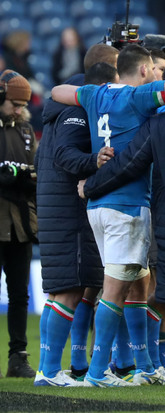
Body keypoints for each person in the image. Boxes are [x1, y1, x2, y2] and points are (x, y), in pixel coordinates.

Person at [51, 41, 165, 387]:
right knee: (114, 291)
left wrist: (91, 91)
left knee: (136, 285)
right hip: (126, 205)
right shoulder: (137, 97)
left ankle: (144, 365)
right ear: (144, 70)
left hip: (99, 207)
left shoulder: (96, 95)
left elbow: (56, 91)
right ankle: (99, 373)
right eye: (154, 70)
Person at [33, 62, 118, 387]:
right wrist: (94, 161)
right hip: (70, 212)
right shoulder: (79, 110)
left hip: (58, 210)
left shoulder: (59, 111)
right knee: (69, 291)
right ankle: (50, 372)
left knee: (62, 294)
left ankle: (48, 369)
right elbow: (65, 156)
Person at [0, 70, 37, 378]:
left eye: (22, 104)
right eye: (13, 103)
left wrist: (23, 176)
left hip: (20, 226)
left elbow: (34, 175)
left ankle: (18, 357)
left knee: (20, 294)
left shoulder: (25, 130)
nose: (18, 109)